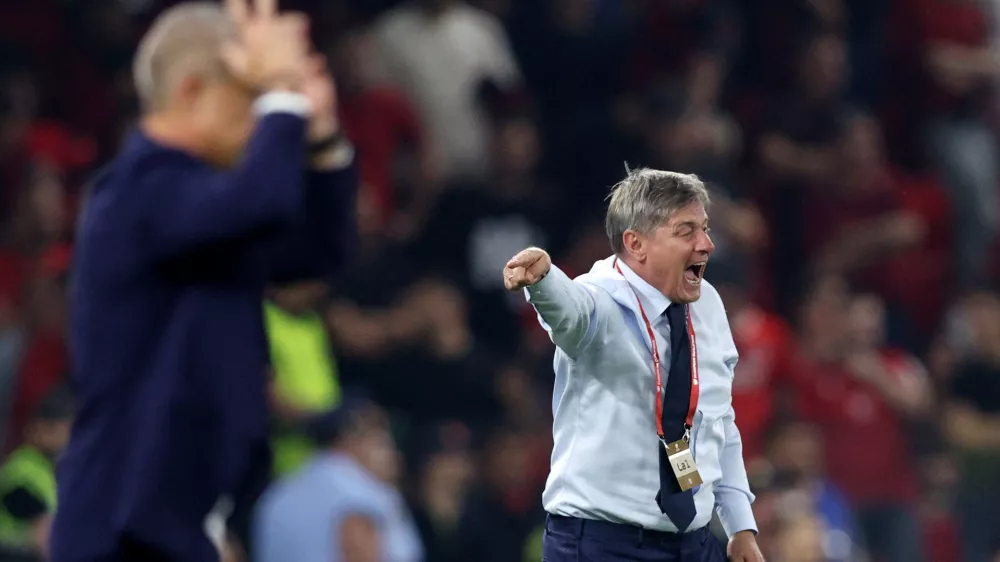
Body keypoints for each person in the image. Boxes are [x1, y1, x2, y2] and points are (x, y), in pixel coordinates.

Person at [49, 0, 358, 560]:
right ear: (192, 91)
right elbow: (262, 202)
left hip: (177, 526)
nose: (262, 120)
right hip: (118, 527)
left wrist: (322, 140)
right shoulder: (134, 194)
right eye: (251, 99)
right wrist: (285, 91)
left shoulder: (211, 211)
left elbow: (314, 254)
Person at [503, 168, 763, 562]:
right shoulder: (600, 300)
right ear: (636, 244)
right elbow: (569, 313)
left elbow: (719, 422)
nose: (707, 244)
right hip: (604, 544)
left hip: (692, 544)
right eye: (686, 231)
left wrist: (741, 527)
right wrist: (544, 281)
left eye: (705, 229)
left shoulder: (708, 304)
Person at [253, 398, 423, 562]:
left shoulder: (278, 492)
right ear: (351, 439)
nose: (393, 453)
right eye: (382, 440)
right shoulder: (359, 492)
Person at [0, 385, 73, 562]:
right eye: (58, 430)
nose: (67, 440)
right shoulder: (22, 467)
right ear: (38, 428)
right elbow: (41, 531)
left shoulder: (47, 469)